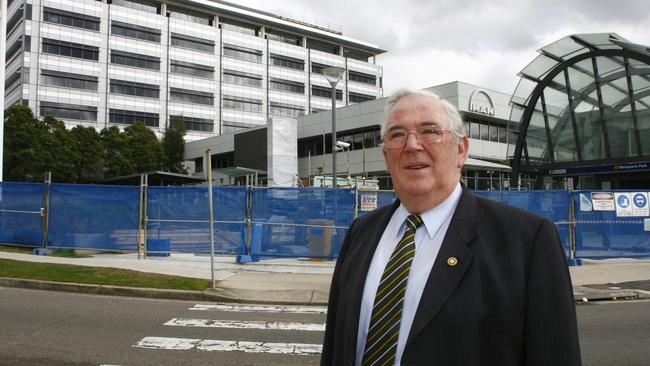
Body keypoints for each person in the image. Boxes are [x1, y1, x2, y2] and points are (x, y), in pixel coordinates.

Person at [321, 89, 581, 366]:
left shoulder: (528, 240)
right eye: (397, 134)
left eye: (429, 131)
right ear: (386, 157)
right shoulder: (361, 232)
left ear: (461, 150)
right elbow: (336, 346)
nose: (412, 145)